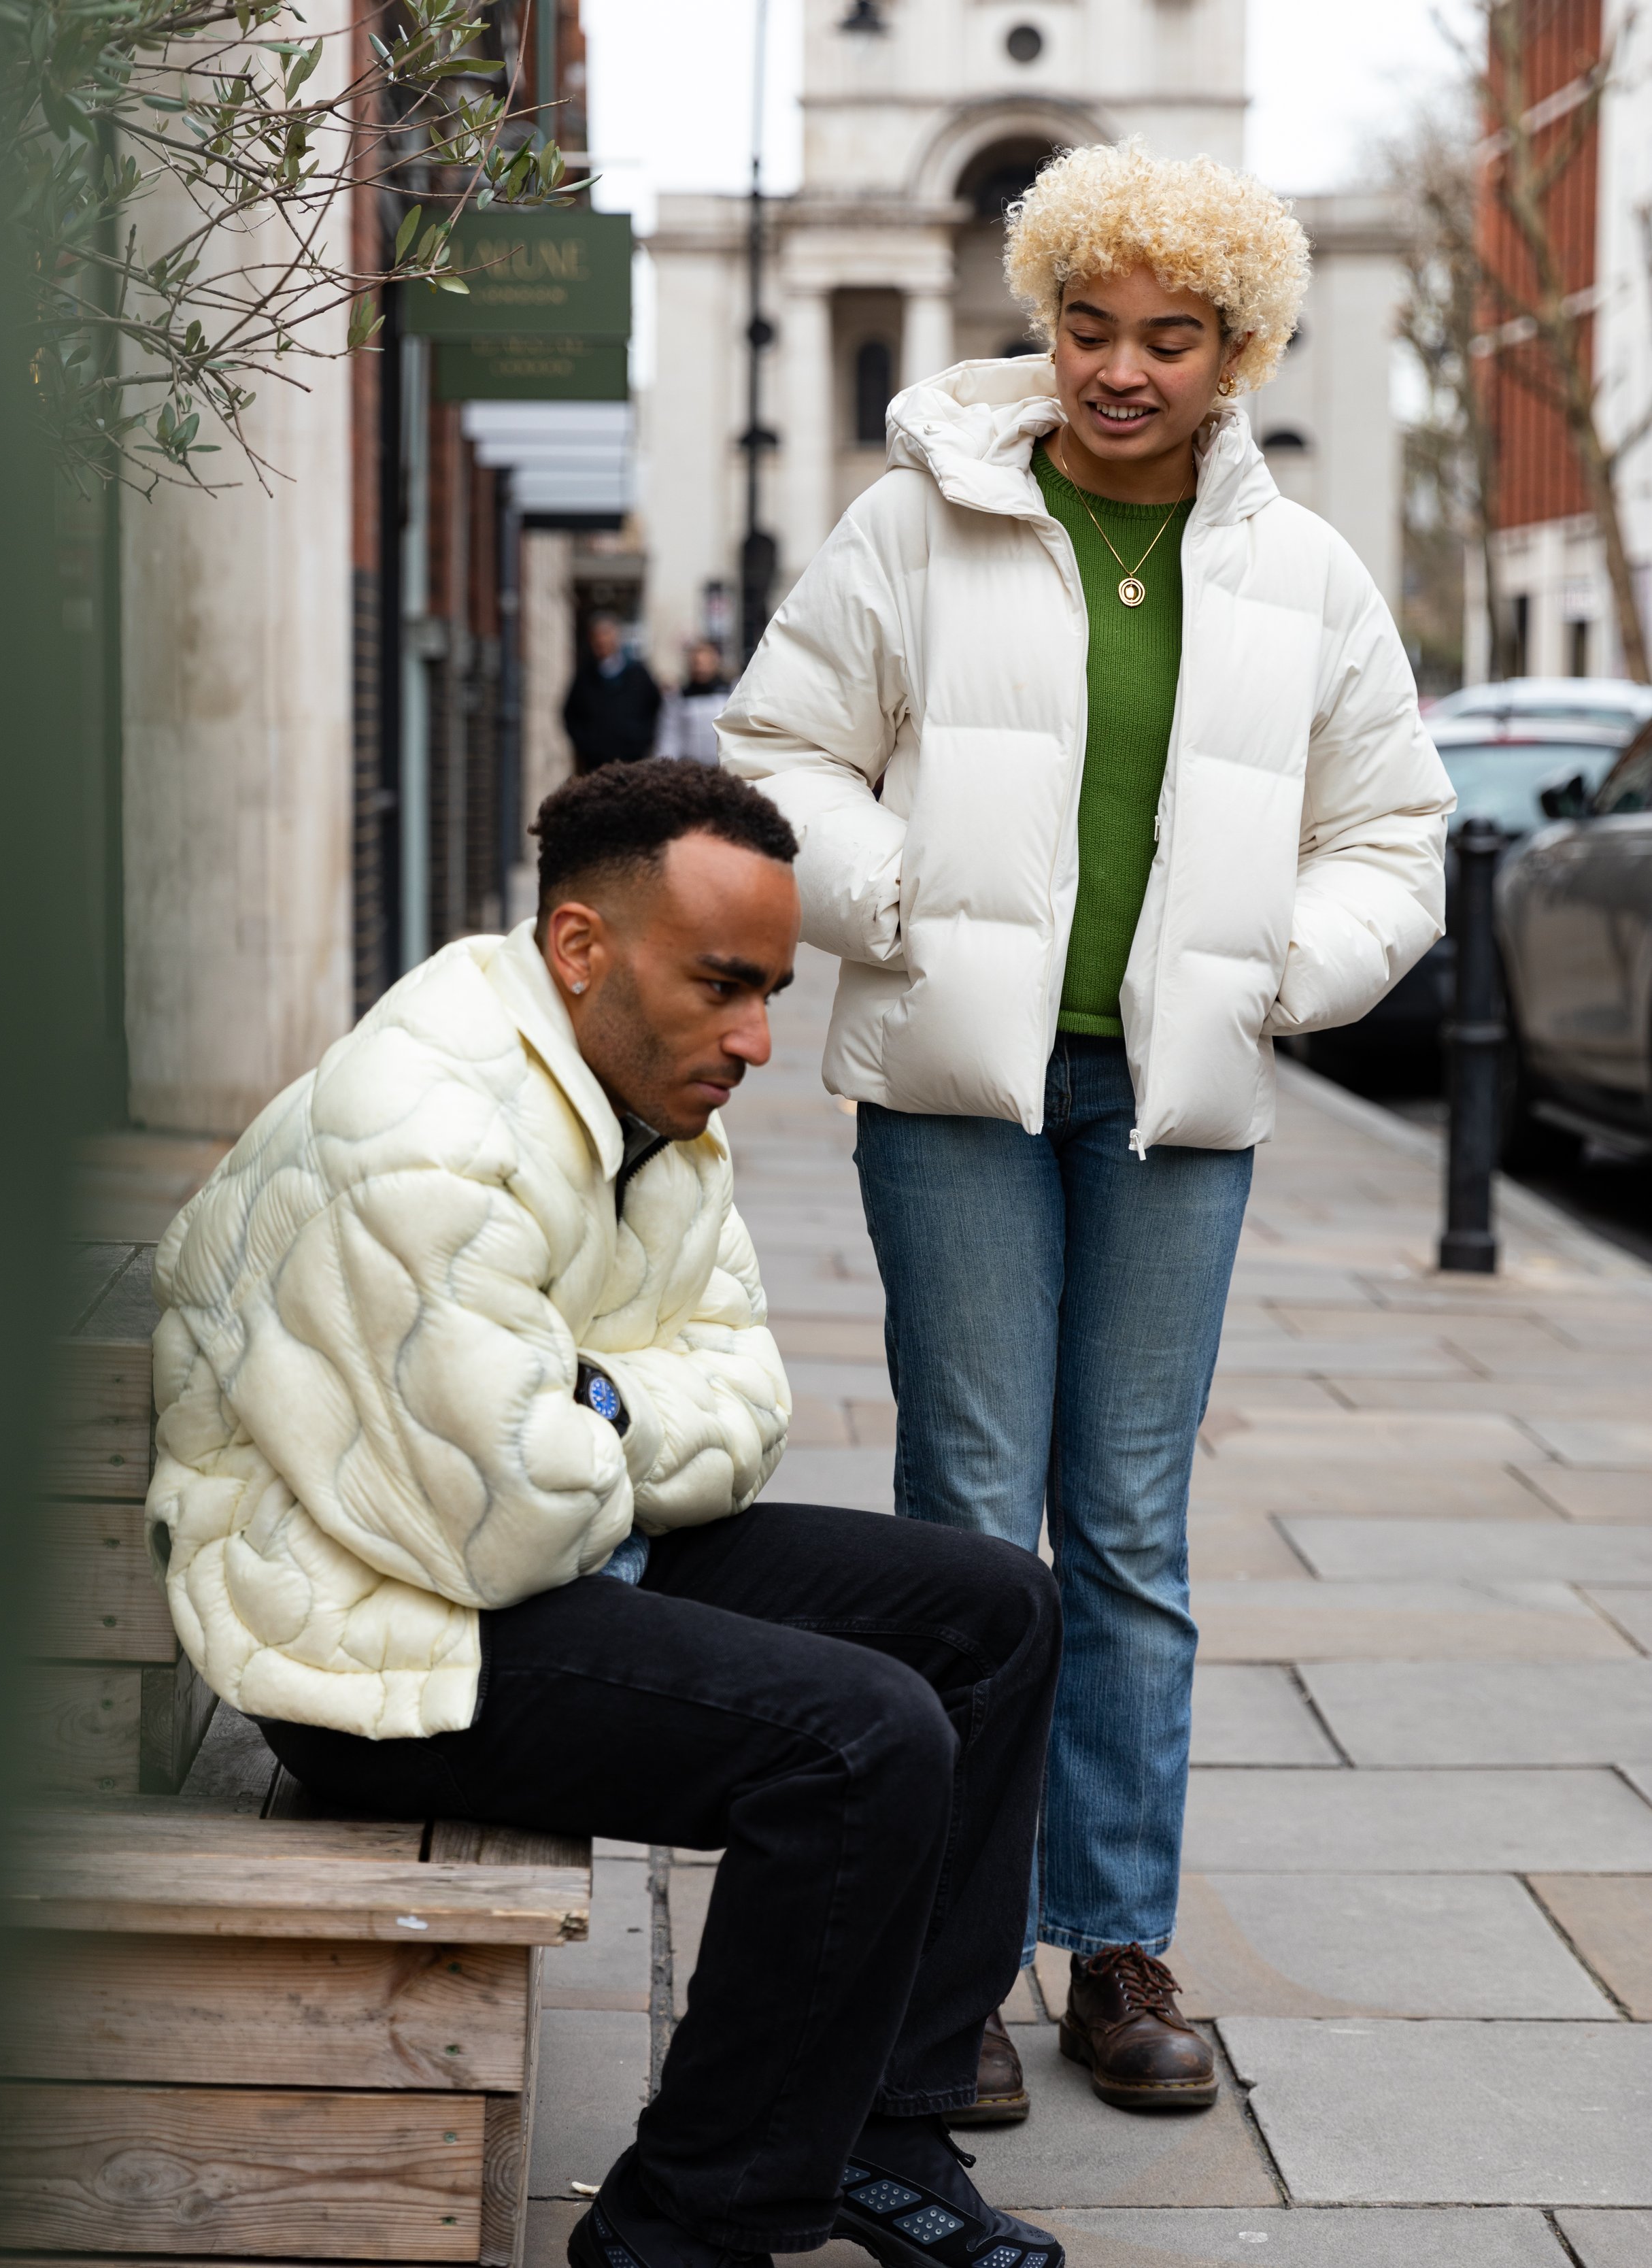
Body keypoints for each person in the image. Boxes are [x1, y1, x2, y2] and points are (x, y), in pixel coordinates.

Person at [720, 138, 1453, 2125]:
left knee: (1124, 1530)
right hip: (961, 1087)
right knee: (973, 1521)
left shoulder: (1297, 575)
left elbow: (1391, 832)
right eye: (1085, 326)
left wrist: (1272, 973)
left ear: (1236, 349)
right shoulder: (914, 524)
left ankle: (1111, 1940)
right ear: (1038, 321)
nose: (1119, 368)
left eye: (1169, 336)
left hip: (1165, 1111)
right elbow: (775, 748)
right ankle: (946, 1969)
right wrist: (896, 904)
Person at [144, 762, 1066, 2268]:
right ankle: (684, 2225)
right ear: (582, 946)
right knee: (859, 1735)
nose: (758, 1040)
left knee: (993, 1611)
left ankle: (881, 2128)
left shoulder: (648, 1100)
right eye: (724, 985)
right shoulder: (419, 1126)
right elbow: (498, 1525)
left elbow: (743, 1398)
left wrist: (600, 1403)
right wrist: (618, 1413)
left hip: (547, 1551)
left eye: (770, 990)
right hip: (381, 1634)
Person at [564, 609, 662, 772]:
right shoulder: (585, 676)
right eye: (598, 636)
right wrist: (586, 745)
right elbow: (570, 714)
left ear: (616, 637)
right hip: (595, 764)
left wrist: (640, 739)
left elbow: (655, 707)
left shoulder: (638, 673)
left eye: (606, 635)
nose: (602, 641)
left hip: (633, 761)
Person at [656, 639, 732, 765]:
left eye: (705, 662)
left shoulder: (731, 692)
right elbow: (670, 737)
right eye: (696, 663)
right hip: (691, 770)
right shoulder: (677, 697)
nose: (700, 668)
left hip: (724, 767)